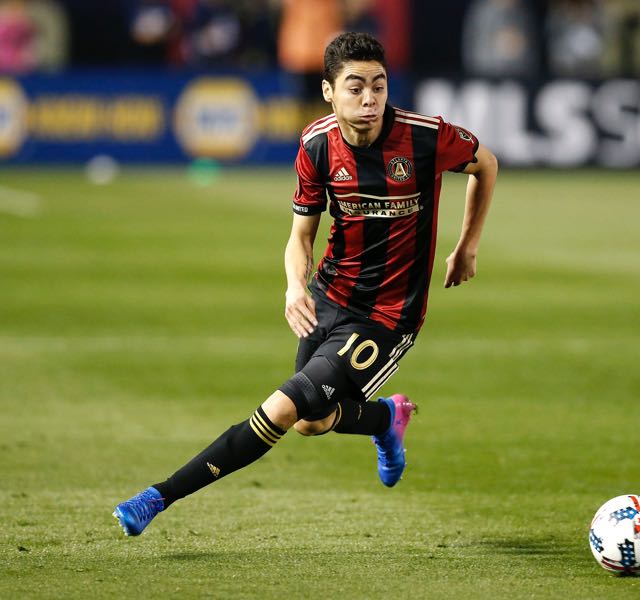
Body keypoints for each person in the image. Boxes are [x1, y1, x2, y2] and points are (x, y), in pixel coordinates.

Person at [113, 31, 498, 536]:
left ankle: (156, 498)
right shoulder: (317, 144)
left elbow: (484, 163)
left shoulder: (424, 137)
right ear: (327, 92)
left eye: (378, 86)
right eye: (355, 87)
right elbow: (301, 236)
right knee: (310, 422)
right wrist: (295, 287)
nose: (369, 99)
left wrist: (467, 245)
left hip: (387, 315)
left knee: (280, 409)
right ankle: (385, 419)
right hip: (329, 295)